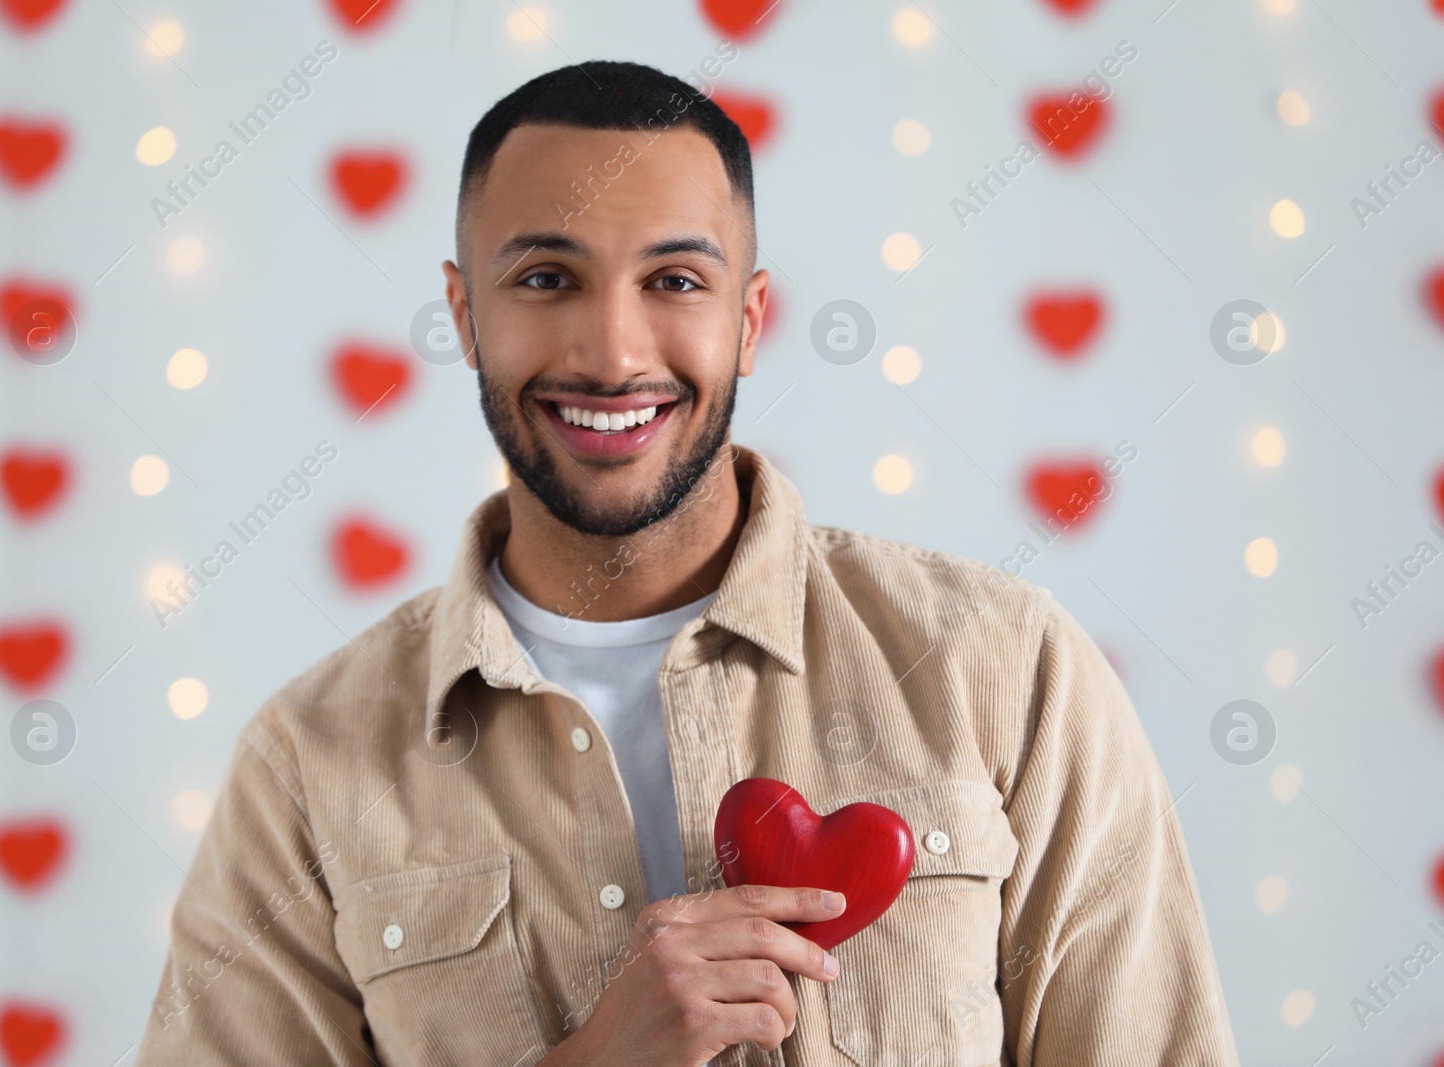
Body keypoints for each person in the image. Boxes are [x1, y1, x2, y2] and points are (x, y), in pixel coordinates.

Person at [134, 60, 1240, 1067]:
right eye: (542, 280)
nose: (613, 355)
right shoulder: (308, 761)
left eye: (673, 281)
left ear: (749, 320)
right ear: (464, 314)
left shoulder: (1004, 665)